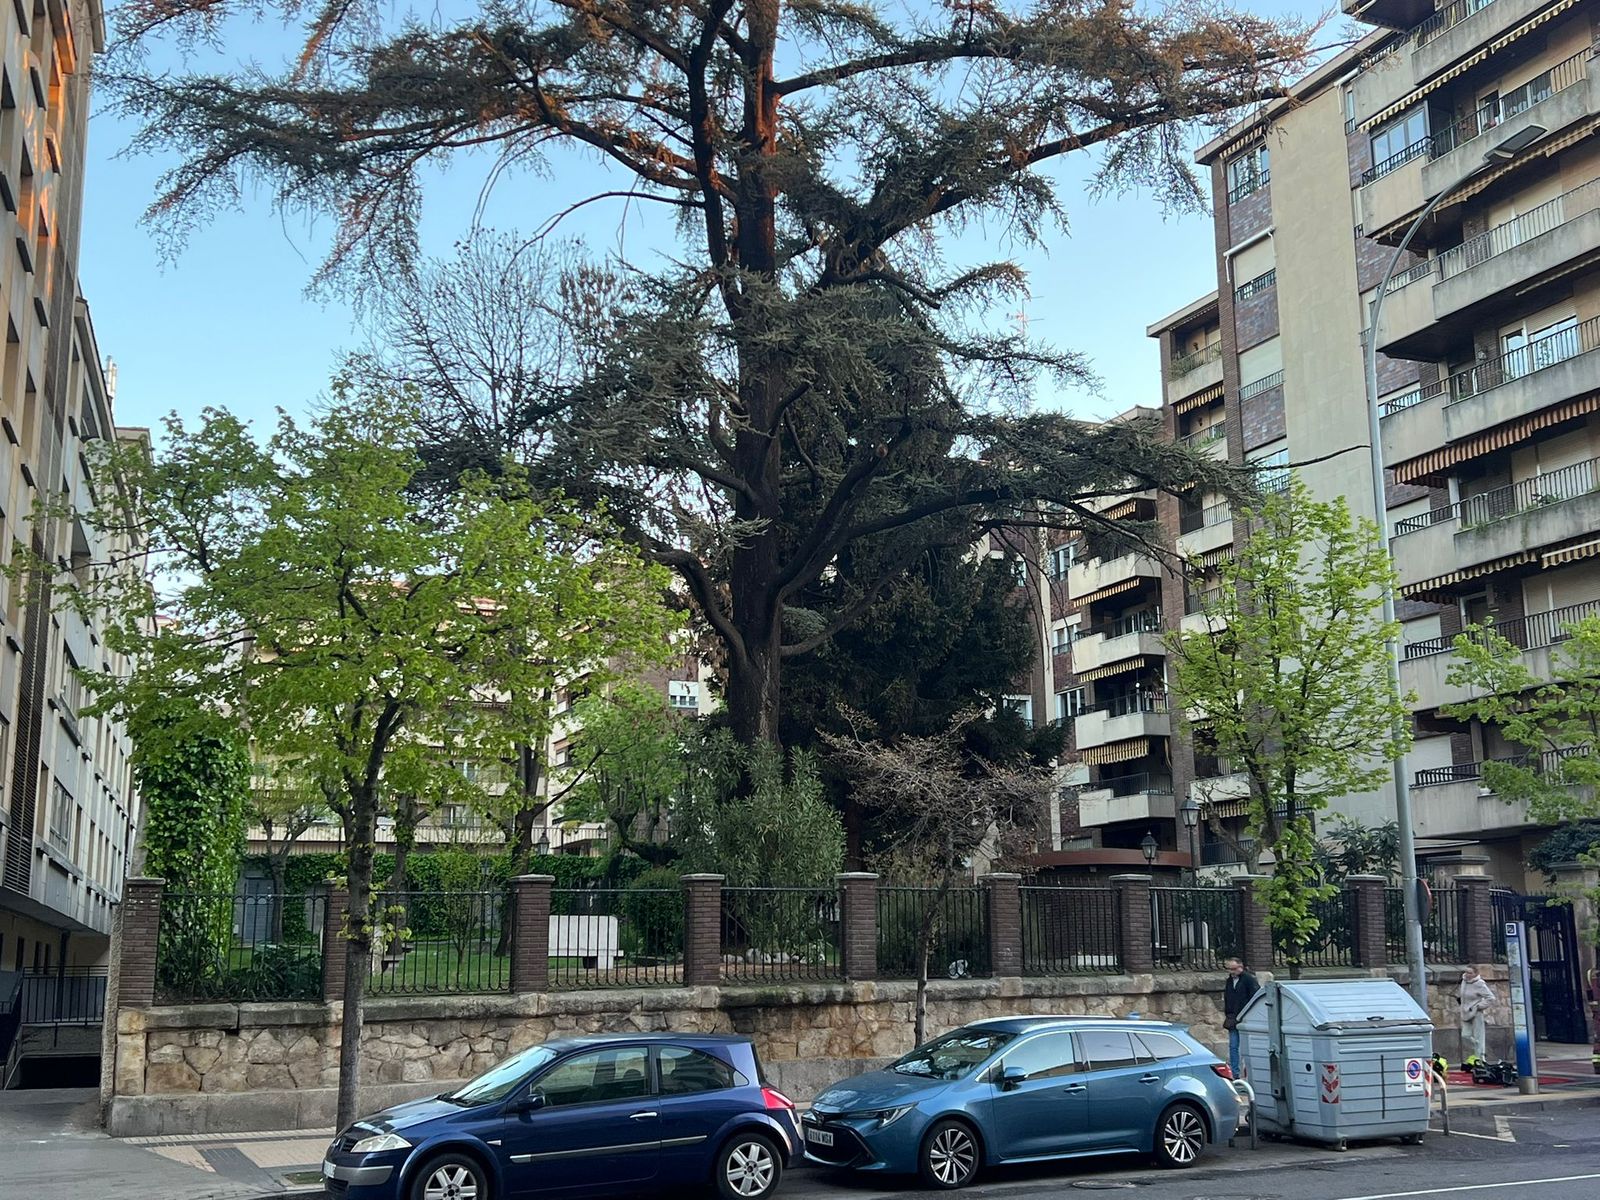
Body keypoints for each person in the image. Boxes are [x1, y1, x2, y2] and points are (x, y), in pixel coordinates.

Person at [1222, 957, 1259, 1078]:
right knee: (1233, 1046)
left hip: (1245, 1017)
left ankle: (1247, 1073)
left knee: (1245, 1047)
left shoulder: (1249, 980)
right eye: (1229, 969)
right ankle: (1235, 1073)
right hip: (1233, 1018)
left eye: (1234, 969)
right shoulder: (1229, 981)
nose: (1231, 972)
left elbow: (1255, 997)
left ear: (1241, 967)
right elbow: (1228, 998)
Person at [1458, 965, 1496, 1066]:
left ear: (1475, 974)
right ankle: (1478, 1051)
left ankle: (1480, 1058)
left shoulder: (1479, 984)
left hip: (1476, 1012)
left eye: (1470, 973)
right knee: (1465, 1035)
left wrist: (1479, 1006)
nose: (1467, 974)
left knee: (1479, 1036)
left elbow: (1491, 998)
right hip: (1465, 1012)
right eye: (1466, 972)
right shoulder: (1464, 981)